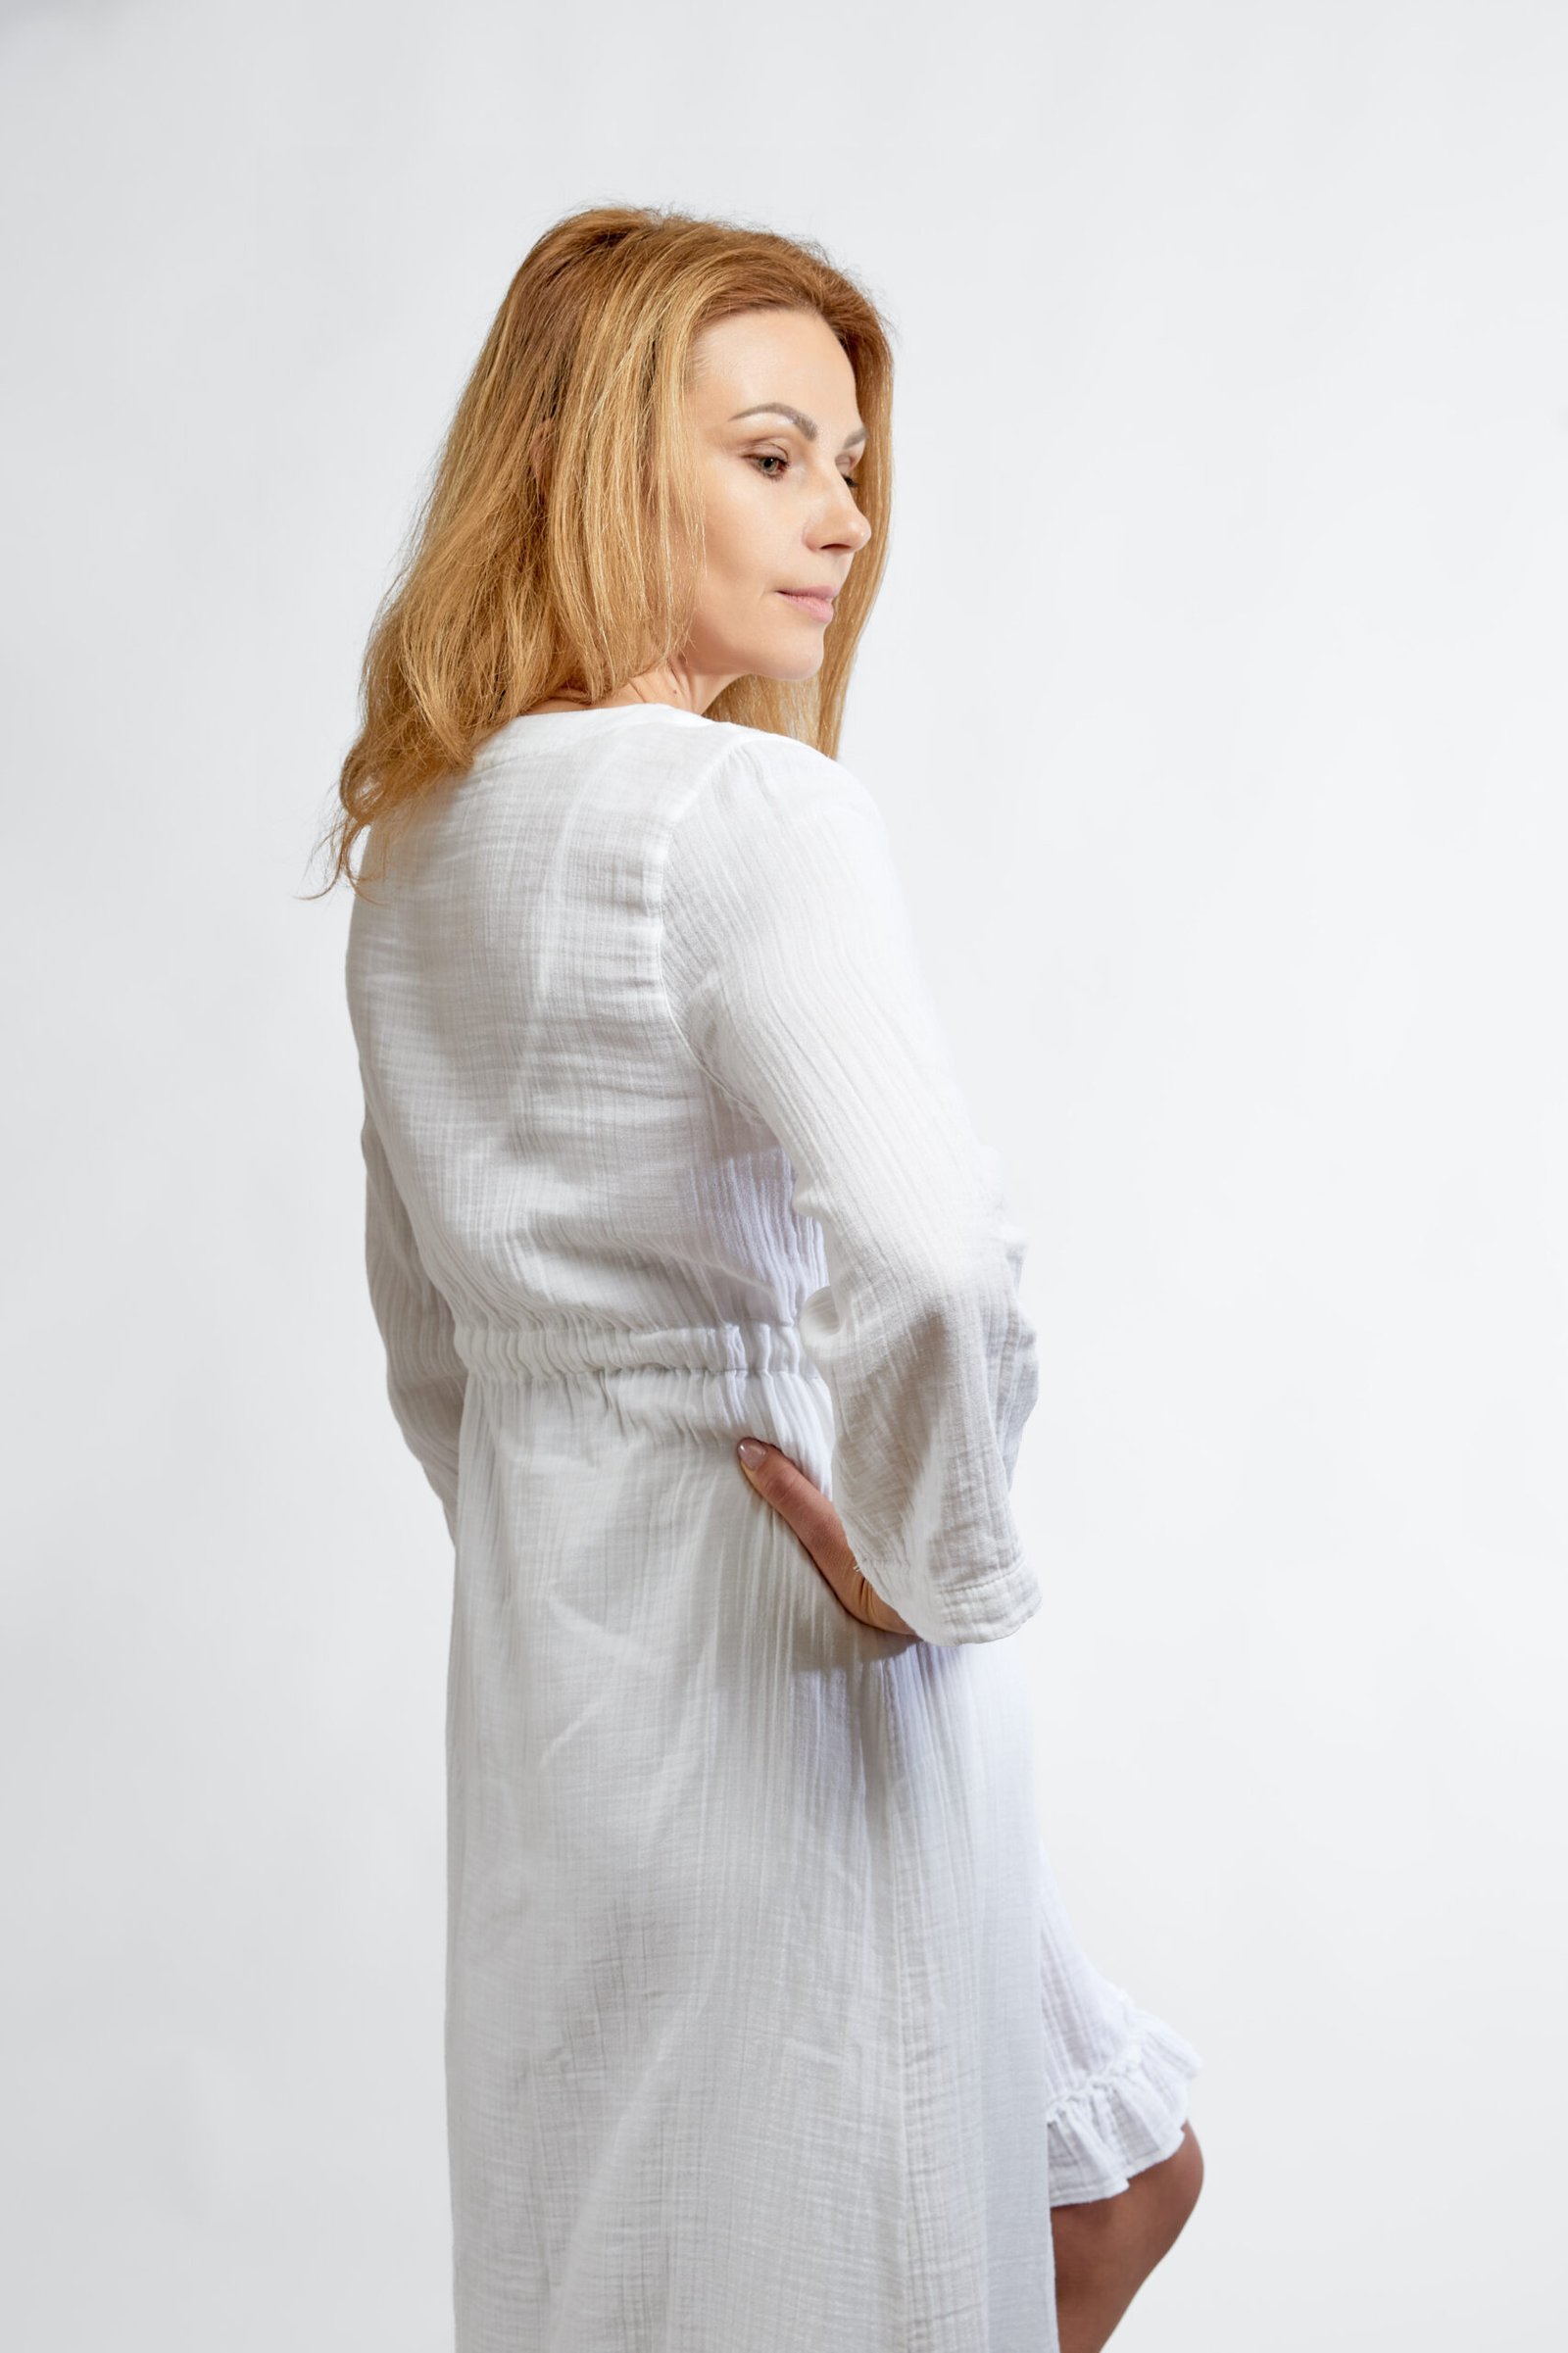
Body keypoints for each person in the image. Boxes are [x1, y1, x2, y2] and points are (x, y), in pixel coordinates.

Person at [318, 202, 1204, 2353]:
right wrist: (927, 1564)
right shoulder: (745, 814)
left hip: (563, 1654)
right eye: (772, 453)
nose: (844, 516)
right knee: (841, 2235)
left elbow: (423, 1333)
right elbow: (933, 1252)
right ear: (599, 462)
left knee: (718, 2233)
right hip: (790, 1633)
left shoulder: (417, 842)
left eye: (850, 463)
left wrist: (554, 1551)